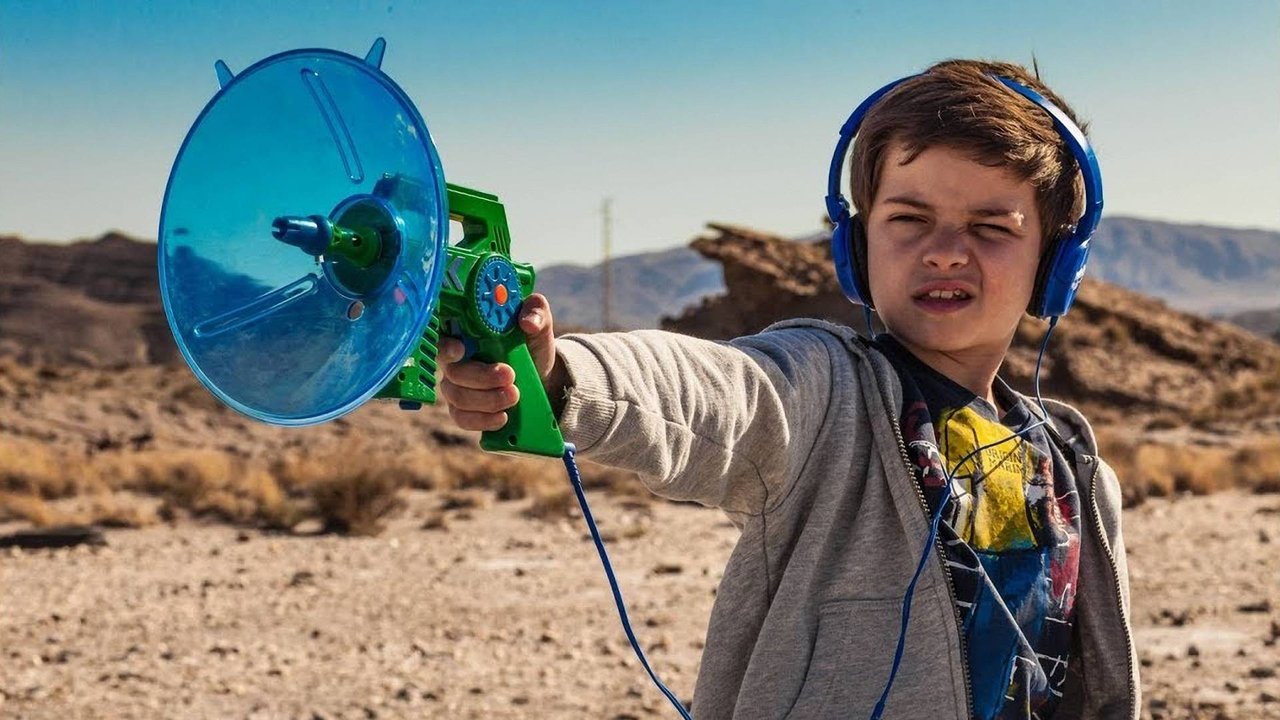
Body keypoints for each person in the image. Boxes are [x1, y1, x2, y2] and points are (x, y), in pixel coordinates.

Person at [437, 59, 1138, 720]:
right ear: (856, 247)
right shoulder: (826, 396)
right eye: (908, 219)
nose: (946, 249)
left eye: (990, 227)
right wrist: (562, 376)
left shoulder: (1074, 467)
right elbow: (722, 393)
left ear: (1055, 262)